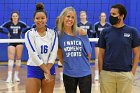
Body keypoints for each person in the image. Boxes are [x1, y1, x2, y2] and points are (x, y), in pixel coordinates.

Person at [98, 4, 140, 93]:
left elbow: (137, 53)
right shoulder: (105, 32)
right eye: (110, 14)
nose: (111, 16)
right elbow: (101, 54)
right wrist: (101, 72)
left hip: (125, 74)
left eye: (114, 14)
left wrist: (132, 73)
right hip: (107, 74)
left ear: (121, 16)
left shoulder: (132, 31)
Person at [25, 3, 58, 93]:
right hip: (34, 68)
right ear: (33, 19)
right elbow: (33, 54)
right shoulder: (29, 34)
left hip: (50, 66)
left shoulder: (53, 33)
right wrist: (46, 71)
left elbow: (54, 53)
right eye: (37, 18)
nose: (40, 20)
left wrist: (48, 70)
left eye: (42, 18)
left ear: (46, 19)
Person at [58, 7, 92, 93]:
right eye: (68, 16)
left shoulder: (81, 32)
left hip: (84, 73)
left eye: (73, 17)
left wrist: (80, 66)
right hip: (68, 73)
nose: (70, 19)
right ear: (63, 17)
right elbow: (60, 55)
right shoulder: (59, 35)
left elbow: (89, 54)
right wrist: (70, 66)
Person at [0, 11, 29, 83]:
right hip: (11, 42)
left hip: (19, 41)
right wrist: (6, 33)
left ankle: (16, 76)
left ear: (18, 17)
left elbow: (28, 28)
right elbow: (0, 28)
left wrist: (23, 32)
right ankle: (9, 77)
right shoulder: (8, 23)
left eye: (16, 16)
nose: (15, 17)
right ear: (11, 17)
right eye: (13, 16)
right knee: (11, 59)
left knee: (18, 59)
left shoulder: (21, 23)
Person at [94, 12, 111, 81]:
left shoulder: (108, 25)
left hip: (106, 44)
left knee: (106, 59)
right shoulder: (96, 25)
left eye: (104, 16)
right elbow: (94, 34)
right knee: (97, 59)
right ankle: (96, 74)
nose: (103, 17)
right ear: (100, 17)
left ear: (106, 17)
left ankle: (106, 74)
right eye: (102, 16)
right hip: (98, 43)